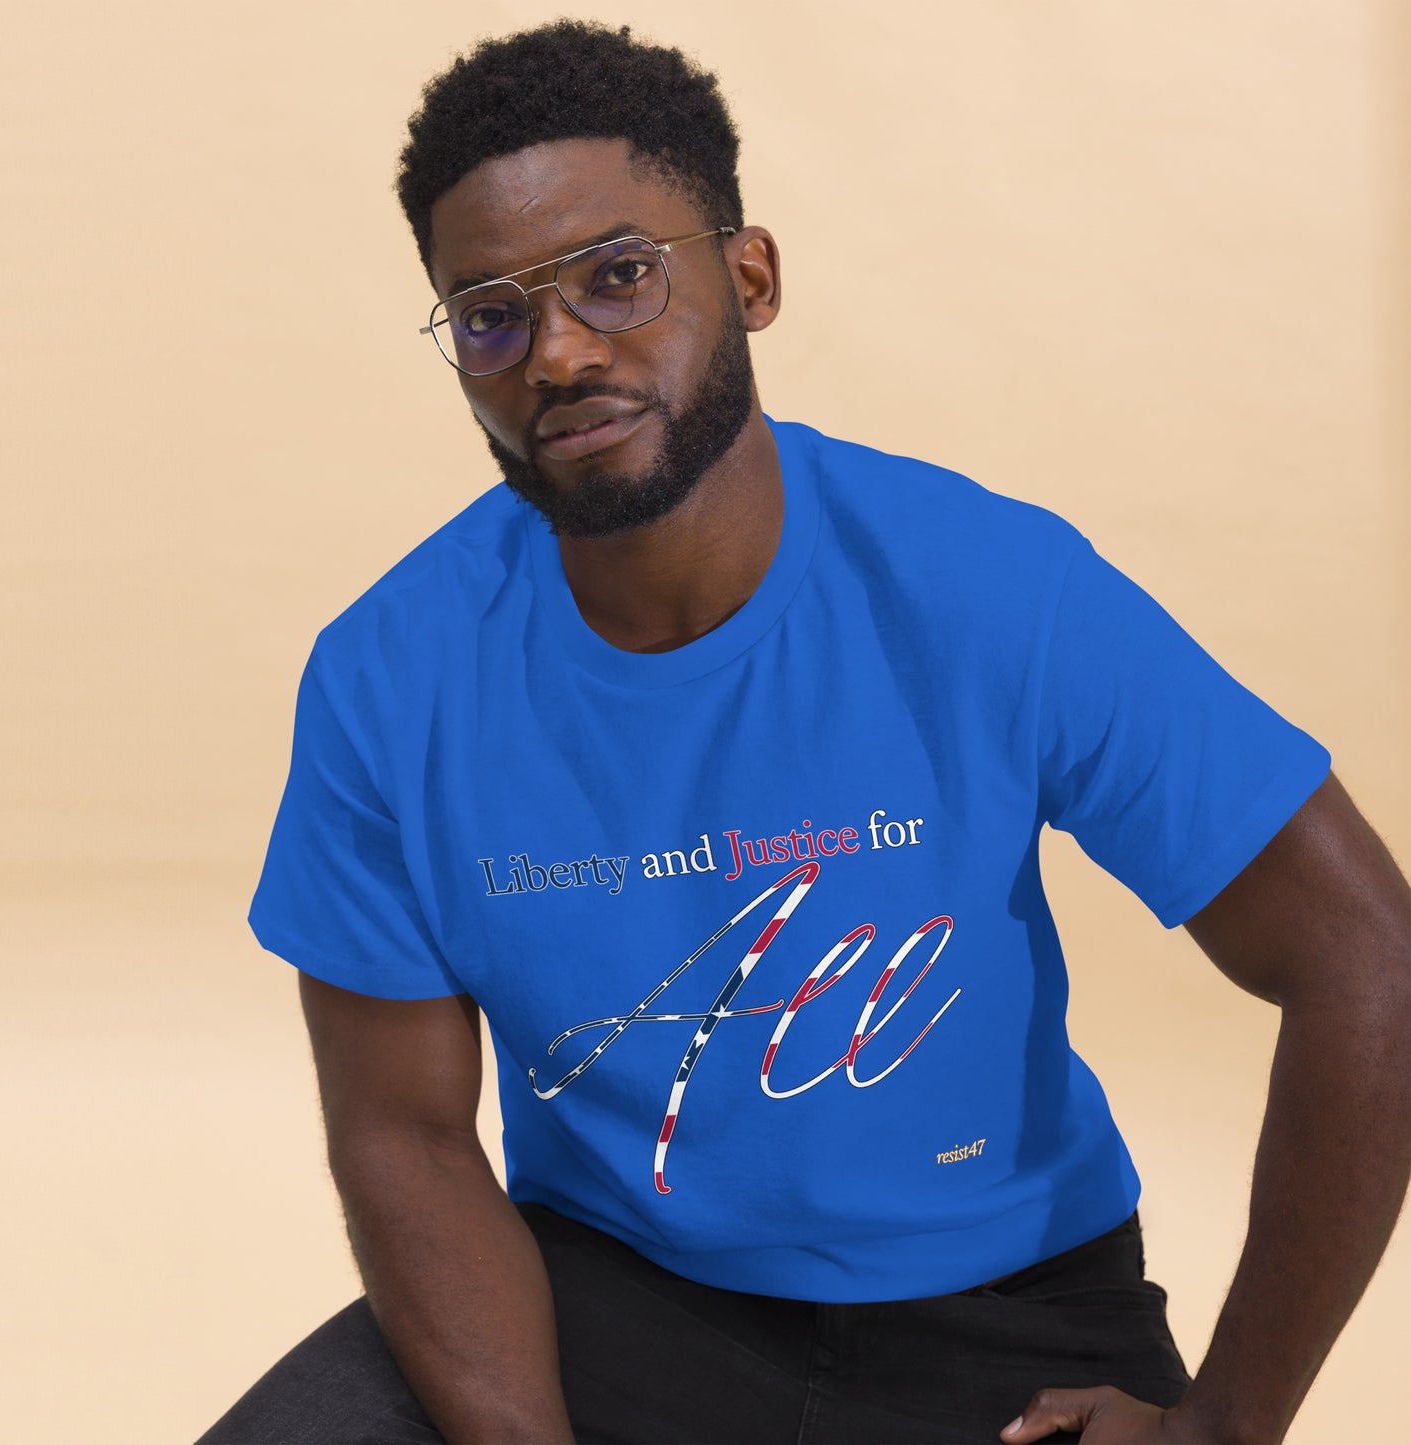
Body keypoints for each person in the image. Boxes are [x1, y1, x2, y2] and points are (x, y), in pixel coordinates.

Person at [197, 20, 1411, 1445]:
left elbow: (1364, 958)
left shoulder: (986, 587)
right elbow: (400, 1130)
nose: (560, 352)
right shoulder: (386, 674)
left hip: (1003, 1324)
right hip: (612, 1298)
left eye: (618, 275)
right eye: (489, 316)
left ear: (749, 276)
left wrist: (1226, 1424)